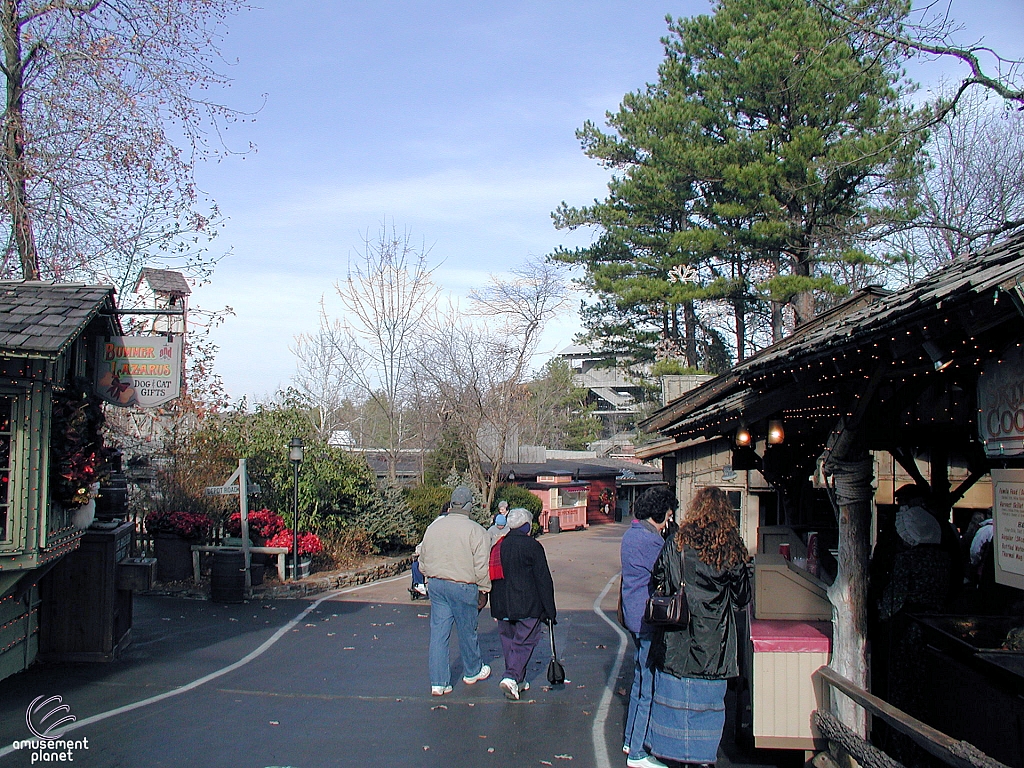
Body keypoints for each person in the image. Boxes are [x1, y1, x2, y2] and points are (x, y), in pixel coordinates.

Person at [648, 486, 751, 767]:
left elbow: (658, 582)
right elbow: (743, 596)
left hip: (677, 637)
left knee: (674, 701)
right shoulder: (731, 546)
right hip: (714, 642)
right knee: (708, 706)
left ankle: (670, 754)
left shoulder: (677, 543)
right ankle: (704, 757)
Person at [619, 486, 676, 768]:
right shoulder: (652, 543)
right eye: (667, 517)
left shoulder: (631, 534)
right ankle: (638, 751)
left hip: (632, 613)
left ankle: (631, 737)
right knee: (648, 684)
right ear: (658, 515)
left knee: (639, 678)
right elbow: (671, 569)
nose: (668, 522)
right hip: (647, 617)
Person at [418, 486, 492, 696]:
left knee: (439, 633)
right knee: (467, 630)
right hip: (462, 585)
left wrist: (428, 575)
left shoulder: (434, 527)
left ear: (451, 504)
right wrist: (484, 589)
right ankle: (472, 670)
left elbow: (423, 557)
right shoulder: (476, 531)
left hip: (437, 583)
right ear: (470, 506)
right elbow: (481, 566)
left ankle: (439, 682)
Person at [489, 507, 557, 701]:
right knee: (525, 640)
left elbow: (493, 578)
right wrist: (550, 610)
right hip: (527, 603)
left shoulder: (498, 545)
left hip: (502, 603)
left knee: (509, 641)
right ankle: (511, 677)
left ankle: (517, 679)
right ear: (526, 525)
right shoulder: (532, 546)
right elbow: (543, 579)